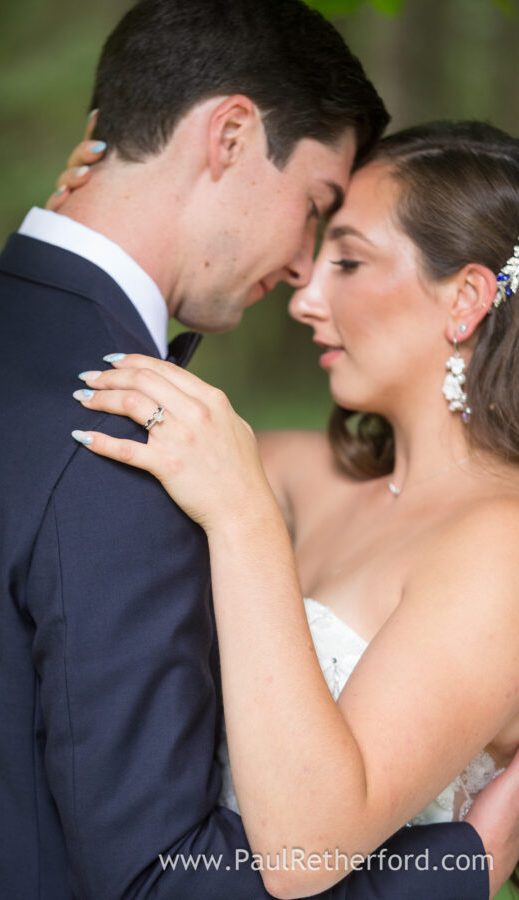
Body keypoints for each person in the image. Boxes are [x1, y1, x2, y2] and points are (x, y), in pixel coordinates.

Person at [0, 0, 512, 892]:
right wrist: (456, 867)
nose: (303, 283)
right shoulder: (217, 457)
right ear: (229, 137)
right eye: (315, 211)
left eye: (347, 256)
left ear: (466, 300)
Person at [64, 120, 519, 897]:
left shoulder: (500, 548)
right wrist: (84, 223)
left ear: (467, 298)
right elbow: (80, 437)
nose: (304, 299)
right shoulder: (298, 471)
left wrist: (243, 520)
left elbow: (303, 848)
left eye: (349, 261)